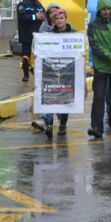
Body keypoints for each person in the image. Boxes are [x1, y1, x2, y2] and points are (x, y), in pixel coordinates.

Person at [32, 9, 76, 138]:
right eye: (57, 19)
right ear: (54, 21)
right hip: (51, 69)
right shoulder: (48, 35)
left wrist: (81, 54)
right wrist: (37, 55)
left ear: (66, 19)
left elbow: (79, 48)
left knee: (64, 98)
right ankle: (49, 124)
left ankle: (63, 123)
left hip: (67, 70)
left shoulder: (74, 34)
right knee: (50, 96)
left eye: (61, 18)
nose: (59, 21)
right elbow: (42, 48)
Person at [87, 0, 111, 138]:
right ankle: (97, 127)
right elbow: (95, 46)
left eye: (108, 9)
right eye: (103, 9)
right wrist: (110, 57)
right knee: (99, 97)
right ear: (99, 10)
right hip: (102, 66)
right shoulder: (92, 25)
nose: (106, 11)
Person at [17, 0, 44, 82]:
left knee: (38, 55)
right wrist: (35, 16)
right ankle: (26, 74)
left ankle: (37, 72)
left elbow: (43, 14)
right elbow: (22, 17)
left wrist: (43, 17)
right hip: (27, 34)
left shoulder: (38, 4)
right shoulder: (23, 4)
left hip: (37, 34)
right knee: (26, 55)